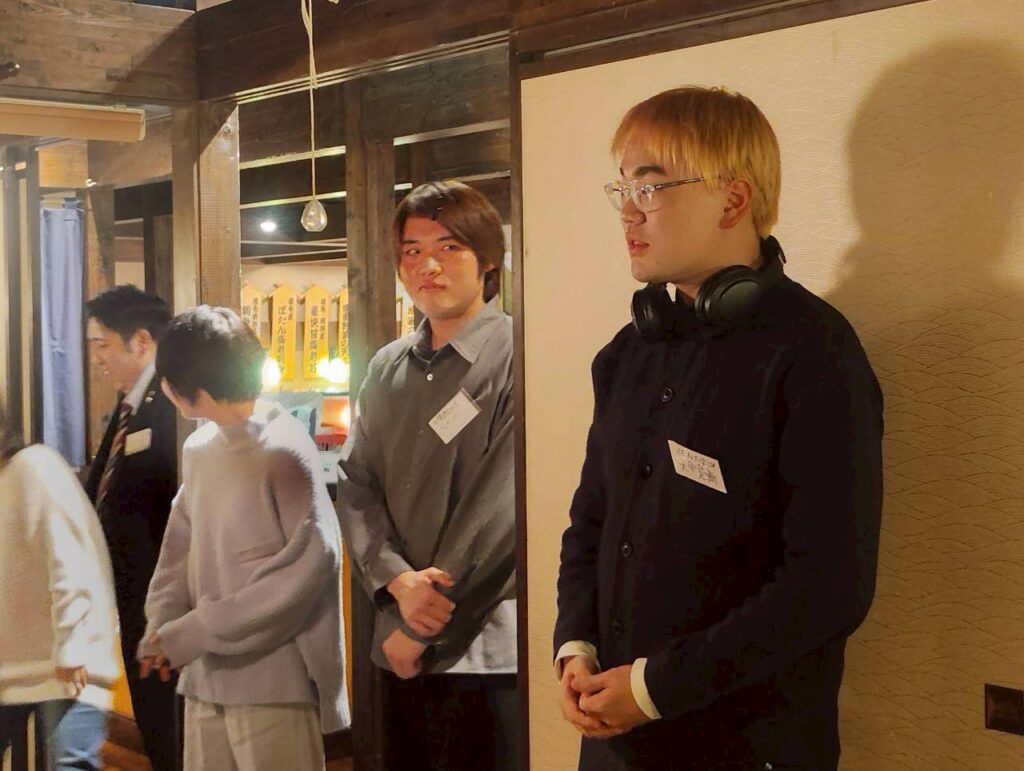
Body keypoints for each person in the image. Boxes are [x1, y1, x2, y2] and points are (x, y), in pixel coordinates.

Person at [553, 86, 884, 770]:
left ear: (733, 200)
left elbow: (828, 585)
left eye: (650, 188)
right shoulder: (625, 354)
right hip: (614, 743)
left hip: (748, 745)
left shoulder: (815, 352)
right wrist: (575, 645)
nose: (628, 212)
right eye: (622, 188)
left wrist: (654, 687)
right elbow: (590, 524)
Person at [337, 181, 517, 770]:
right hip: (396, 635)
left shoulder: (518, 353)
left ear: (487, 259)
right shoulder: (388, 365)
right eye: (412, 251)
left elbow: (502, 509)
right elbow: (357, 483)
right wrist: (396, 580)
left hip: (487, 650)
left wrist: (423, 624)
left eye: (449, 247)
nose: (427, 266)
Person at [140, 305, 348, 771]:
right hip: (205, 678)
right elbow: (178, 550)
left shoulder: (283, 449)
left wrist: (190, 631)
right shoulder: (200, 448)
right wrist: (162, 626)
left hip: (277, 680)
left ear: (190, 390)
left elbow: (307, 570)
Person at [84, 284, 181, 771]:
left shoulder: (171, 405)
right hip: (130, 594)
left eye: (102, 344)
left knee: (168, 723)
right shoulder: (129, 407)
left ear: (141, 342)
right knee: (153, 718)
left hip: (159, 598)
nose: (96, 358)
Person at [0, 403, 120, 770]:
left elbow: (69, 558)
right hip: (14, 666)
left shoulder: (34, 466)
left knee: (72, 763)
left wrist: (71, 647)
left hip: (69, 661)